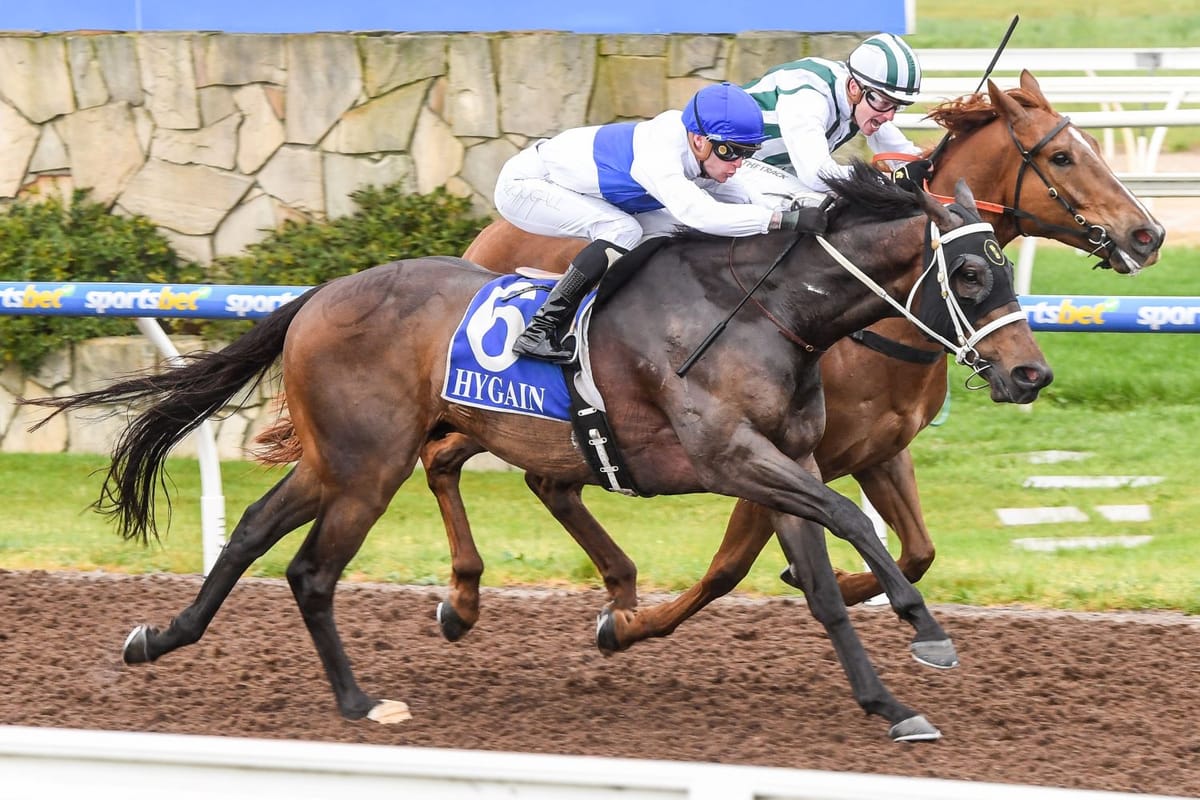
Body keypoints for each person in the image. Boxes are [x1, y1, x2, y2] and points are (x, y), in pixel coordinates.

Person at [494, 81, 828, 364]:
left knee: (672, 231)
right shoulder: (661, 151)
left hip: (585, 189)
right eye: (732, 152)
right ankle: (539, 331)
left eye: (748, 153)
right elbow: (701, 213)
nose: (739, 164)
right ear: (700, 140)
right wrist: (779, 220)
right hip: (527, 185)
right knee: (623, 230)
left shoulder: (704, 151)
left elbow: (749, 200)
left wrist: (797, 211)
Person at [738, 32, 929, 203]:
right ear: (854, 88)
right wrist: (887, 180)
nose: (889, 116)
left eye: (897, 106)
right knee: (813, 203)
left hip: (777, 168)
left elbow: (907, 157)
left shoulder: (863, 99)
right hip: (733, 162)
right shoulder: (809, 99)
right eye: (884, 103)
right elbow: (817, 175)